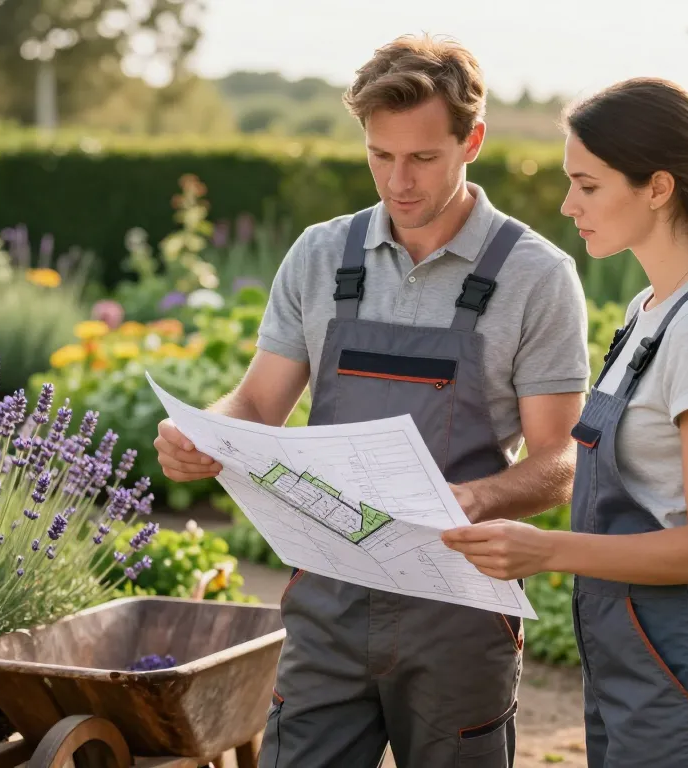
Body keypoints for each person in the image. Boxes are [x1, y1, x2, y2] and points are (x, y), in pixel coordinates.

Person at [153, 34, 590, 768]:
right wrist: (205, 434)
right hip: (328, 599)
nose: (399, 182)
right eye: (379, 156)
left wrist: (474, 498)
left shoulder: (536, 277)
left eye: (422, 158)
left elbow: (561, 458)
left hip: (460, 609)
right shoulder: (322, 256)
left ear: (472, 140)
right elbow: (259, 401)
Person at [442, 76, 688, 767]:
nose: (568, 204)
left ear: (658, 187)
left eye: (588, 185)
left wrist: (546, 550)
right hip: (634, 660)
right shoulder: (651, 308)